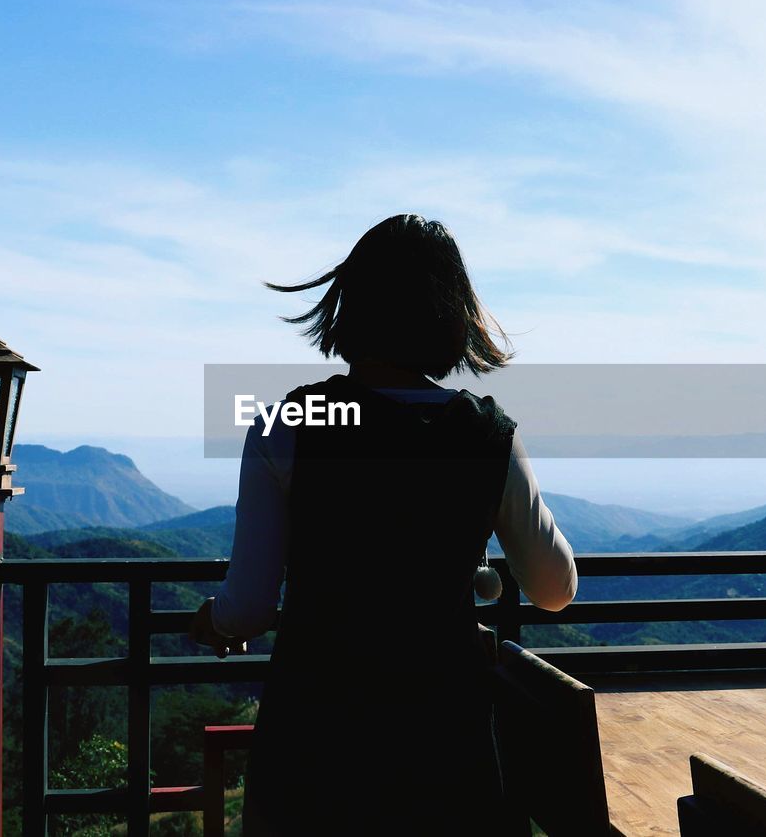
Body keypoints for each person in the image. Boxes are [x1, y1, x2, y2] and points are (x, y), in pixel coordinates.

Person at [190, 214, 577, 835]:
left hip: (315, 737)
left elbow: (251, 606)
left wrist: (212, 619)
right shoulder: (486, 434)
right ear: (455, 315)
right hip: (445, 741)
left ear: (349, 306)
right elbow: (556, 589)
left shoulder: (290, 423)